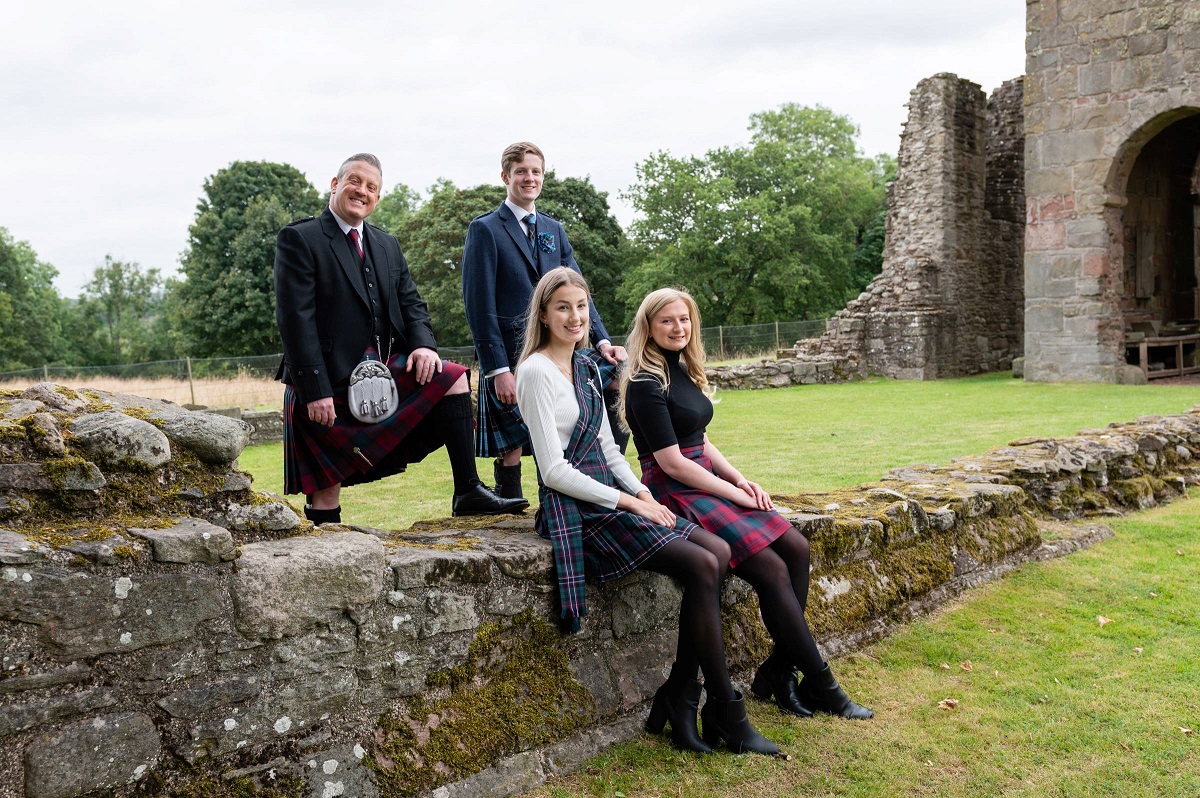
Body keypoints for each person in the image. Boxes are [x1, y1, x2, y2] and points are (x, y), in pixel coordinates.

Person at [515, 268, 777, 755]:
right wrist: (632, 501)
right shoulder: (534, 371)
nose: (576, 318)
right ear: (545, 316)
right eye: (563, 308)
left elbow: (610, 452)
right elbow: (552, 471)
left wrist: (646, 495)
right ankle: (723, 706)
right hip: (577, 508)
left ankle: (679, 697)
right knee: (703, 561)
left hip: (614, 494)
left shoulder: (586, 367)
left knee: (717, 552)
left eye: (581, 306)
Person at [621, 288, 873, 721]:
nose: (677, 327)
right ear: (648, 327)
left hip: (706, 480)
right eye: (666, 321)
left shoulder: (681, 368)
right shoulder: (646, 383)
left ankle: (779, 669)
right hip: (676, 490)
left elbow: (700, 438)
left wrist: (738, 477)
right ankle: (823, 684)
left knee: (796, 546)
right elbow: (673, 463)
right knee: (772, 569)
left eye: (683, 319)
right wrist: (733, 493)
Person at [274, 153, 527, 524]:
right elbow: (296, 321)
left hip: (381, 370)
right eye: (355, 182)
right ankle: (327, 553)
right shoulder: (301, 238)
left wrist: (423, 344)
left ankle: (468, 490)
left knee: (453, 377)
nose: (362, 191)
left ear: (378, 197)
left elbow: (412, 303)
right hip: (327, 378)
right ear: (335, 184)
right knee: (326, 482)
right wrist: (316, 391)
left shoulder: (386, 244)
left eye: (371, 187)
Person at [462, 141, 628, 503]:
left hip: (561, 347)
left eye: (536, 171)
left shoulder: (554, 229)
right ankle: (509, 507)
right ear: (505, 176)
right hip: (512, 352)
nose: (529, 178)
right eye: (521, 171)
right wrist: (497, 369)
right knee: (513, 442)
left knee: (616, 378)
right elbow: (479, 306)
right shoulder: (486, 229)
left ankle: (607, 475)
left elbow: (578, 291)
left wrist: (602, 341)